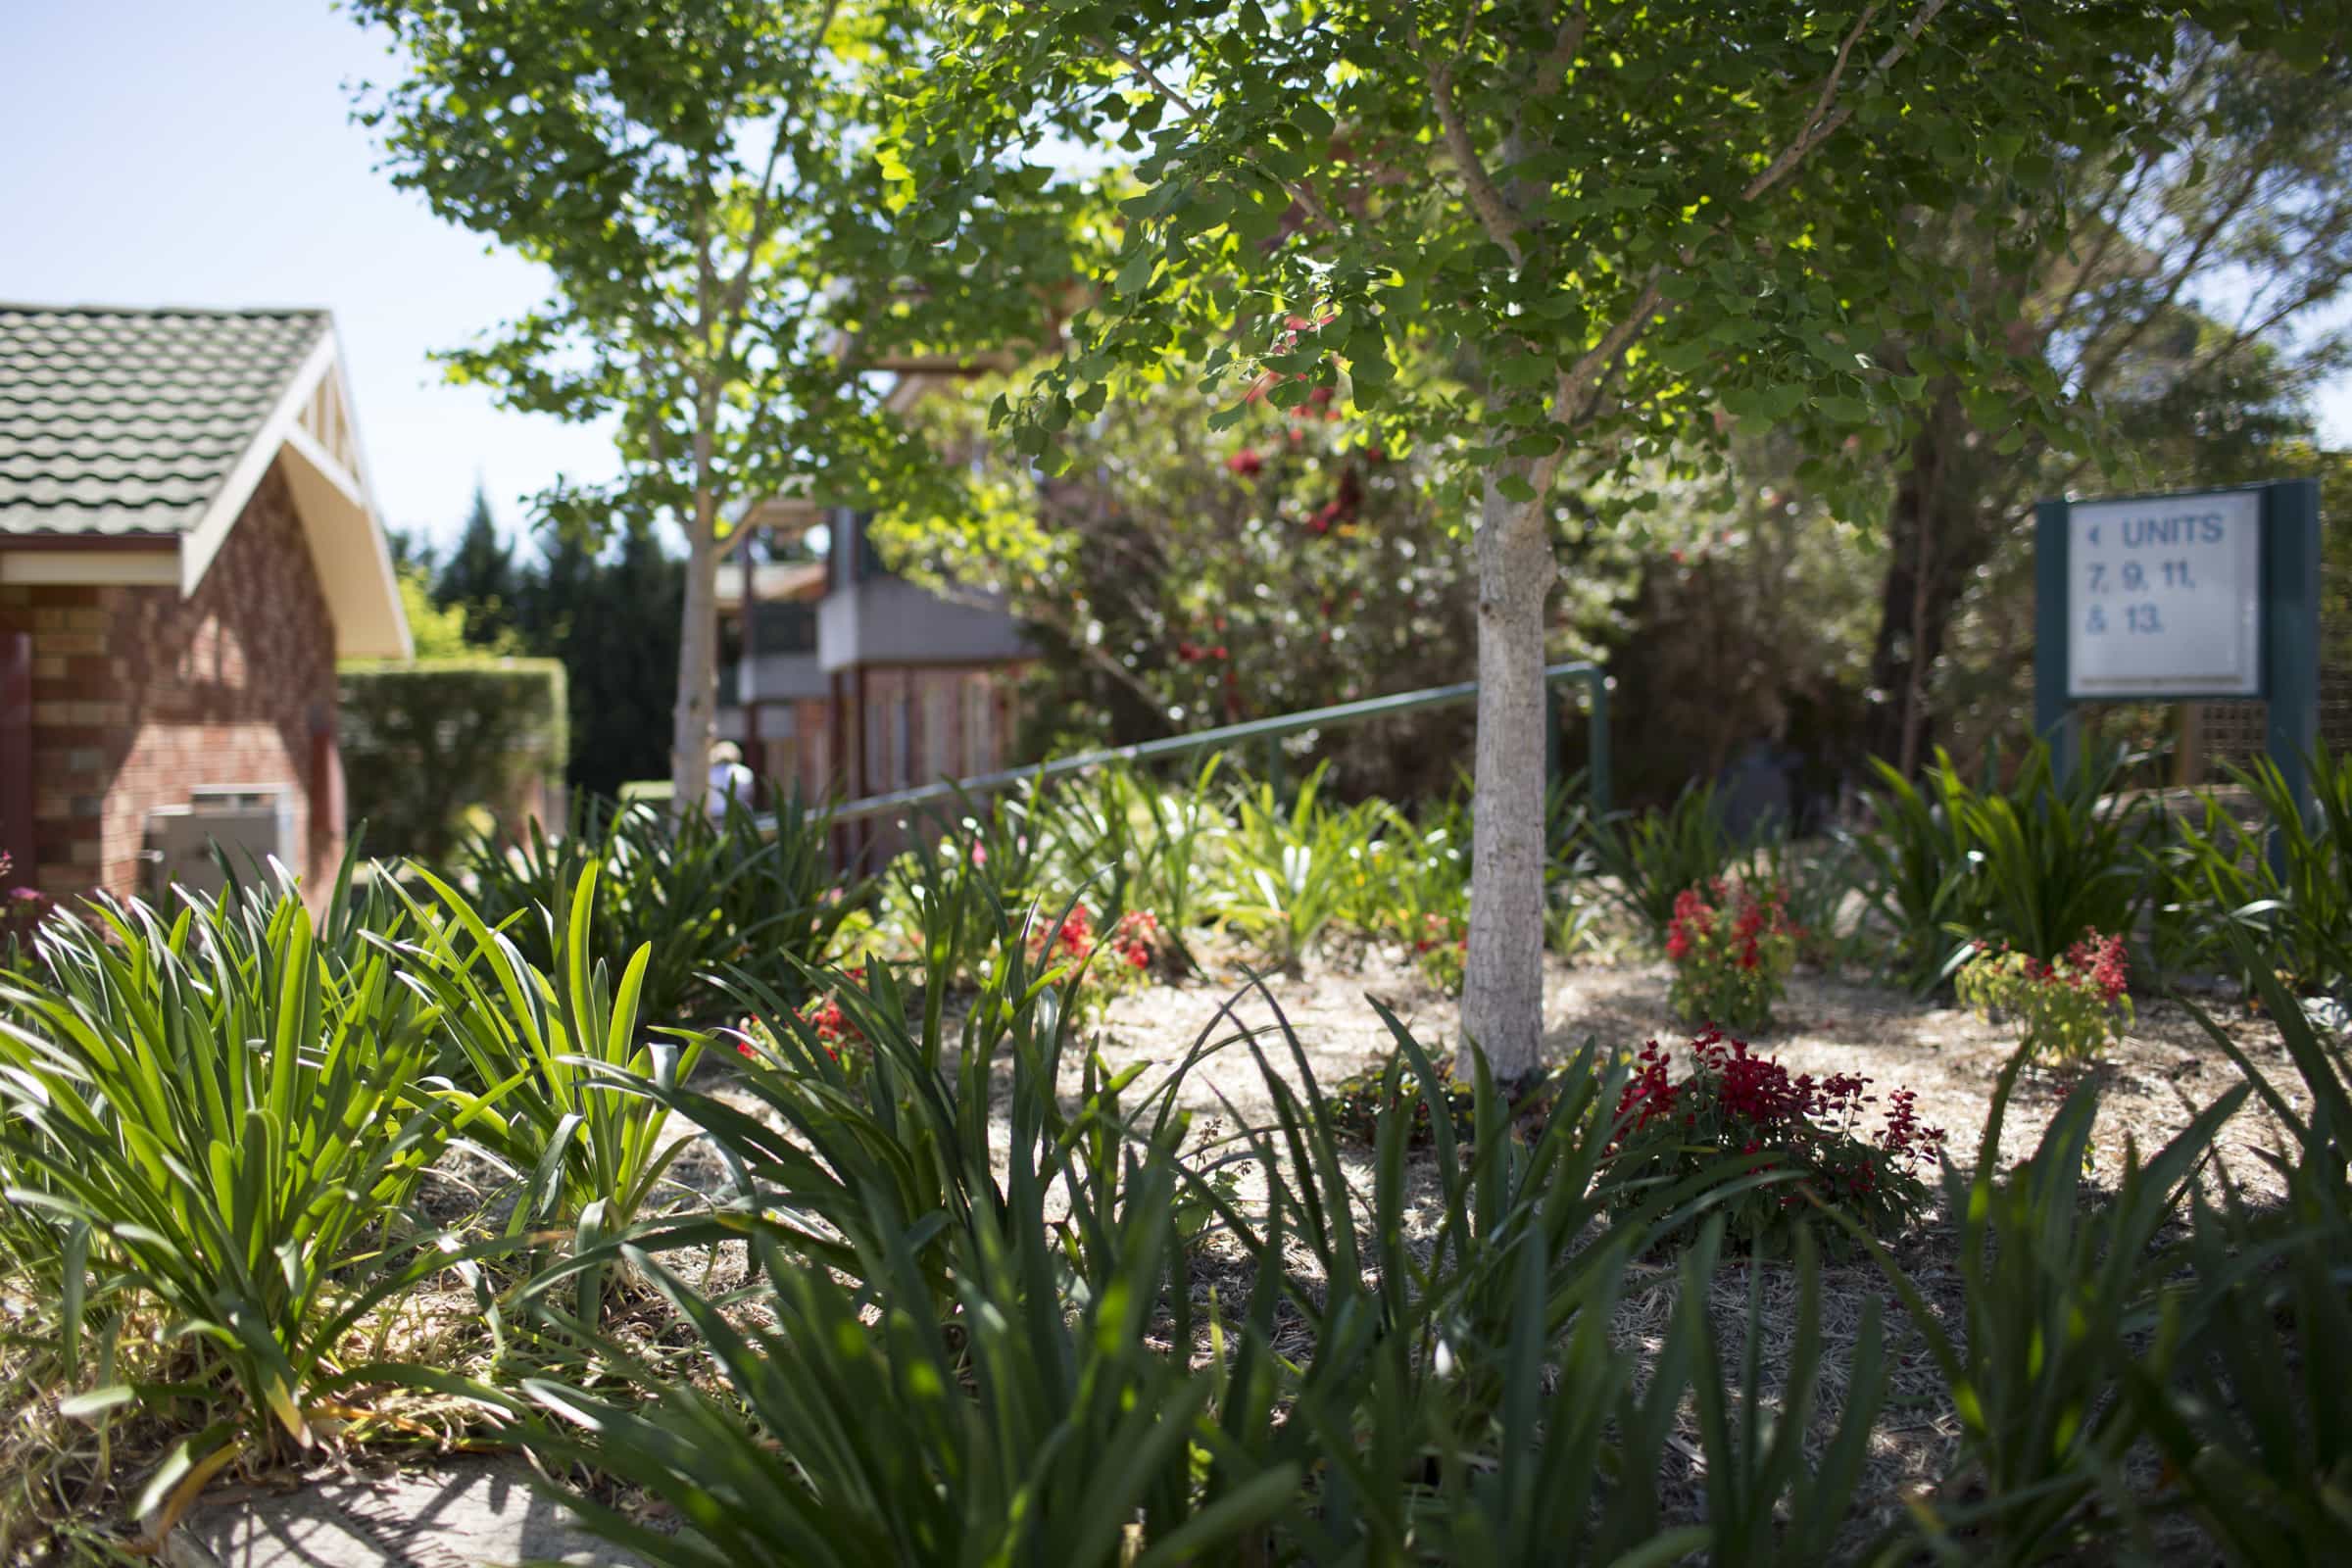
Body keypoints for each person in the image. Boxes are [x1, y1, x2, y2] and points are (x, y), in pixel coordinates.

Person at [705, 740, 755, 821]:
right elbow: (748, 795)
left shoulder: (710, 772)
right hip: (738, 815)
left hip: (715, 814)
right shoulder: (743, 771)